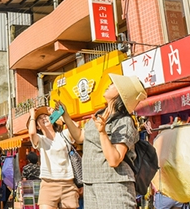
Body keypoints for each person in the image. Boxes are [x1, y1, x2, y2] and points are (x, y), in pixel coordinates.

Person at [61, 74, 147, 209]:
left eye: (113, 84)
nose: (109, 85)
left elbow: (114, 159)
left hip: (113, 184)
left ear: (120, 94)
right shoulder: (99, 114)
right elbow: (80, 137)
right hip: (90, 182)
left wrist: (102, 132)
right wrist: (65, 115)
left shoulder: (124, 121)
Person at [28, 106, 78, 209]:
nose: (44, 118)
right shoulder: (41, 140)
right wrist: (32, 115)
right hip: (48, 184)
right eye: (40, 118)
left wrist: (59, 114)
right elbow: (32, 133)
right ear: (37, 126)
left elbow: (76, 127)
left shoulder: (64, 135)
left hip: (68, 183)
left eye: (46, 116)